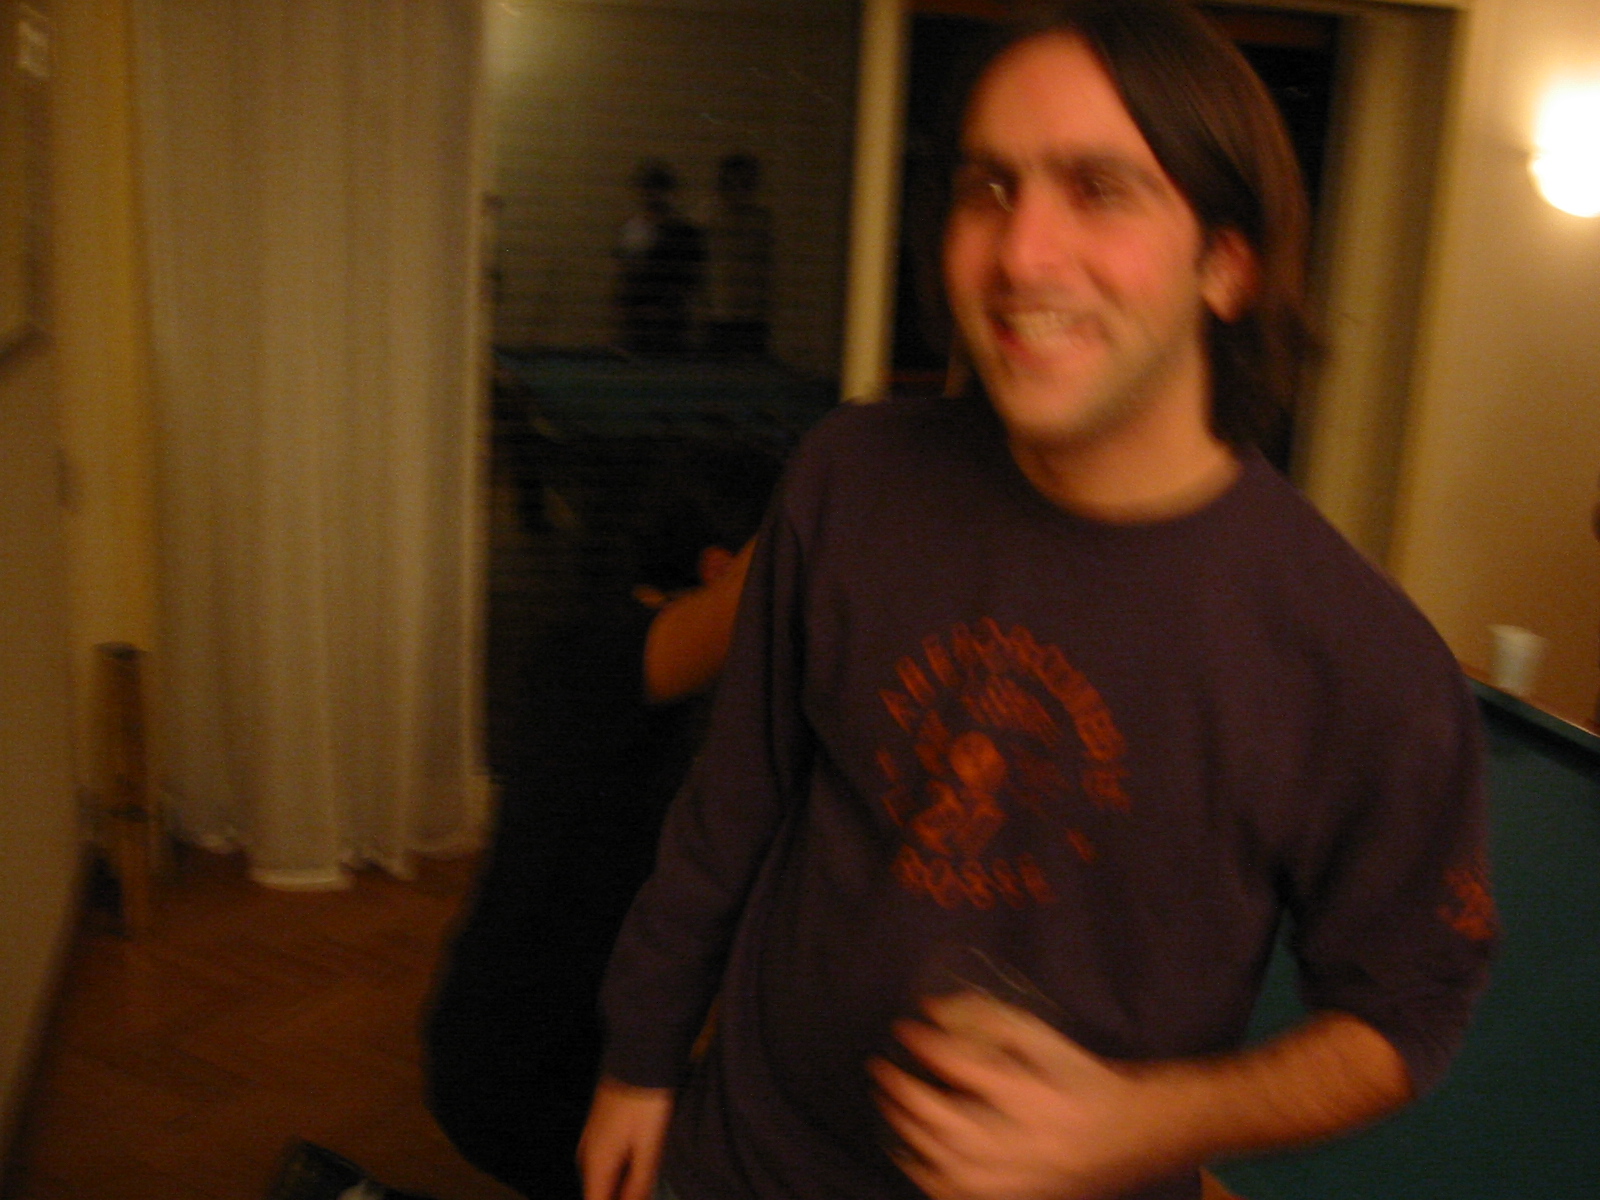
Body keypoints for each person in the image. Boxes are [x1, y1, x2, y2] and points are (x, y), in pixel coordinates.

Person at [582, 5, 1497, 1200]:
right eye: (990, 188)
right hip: (747, 1162)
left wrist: (1148, 1123)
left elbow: (1406, 1011)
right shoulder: (848, 478)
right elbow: (729, 810)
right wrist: (639, 1062)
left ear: (1227, 264)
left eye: (1099, 191)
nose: (1020, 256)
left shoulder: (1362, 662)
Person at [423, 440, 779, 1199]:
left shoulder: (639, 667)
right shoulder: (592, 660)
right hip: (513, 1075)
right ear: (718, 568)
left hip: (551, 1052)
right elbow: (743, 606)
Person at [702, 153, 774, 357]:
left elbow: (765, 266)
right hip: (718, 313)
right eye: (734, 183)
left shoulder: (760, 220)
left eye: (746, 183)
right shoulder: (707, 218)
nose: (740, 190)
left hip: (752, 315)